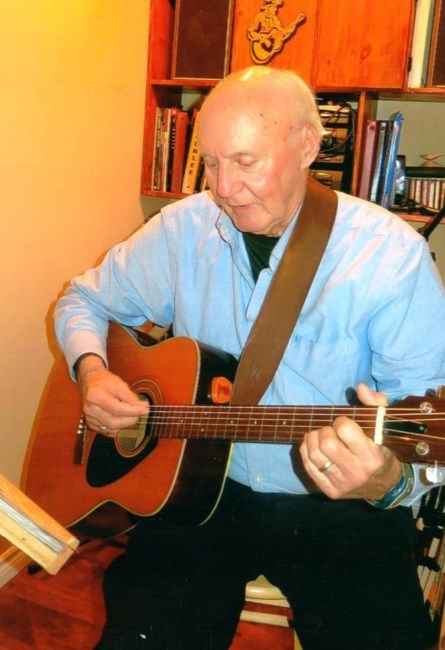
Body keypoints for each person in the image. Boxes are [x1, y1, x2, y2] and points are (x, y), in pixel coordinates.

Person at [54, 66, 445, 649]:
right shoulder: (183, 228)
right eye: (211, 163)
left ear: (308, 146)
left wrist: (385, 480)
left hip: (336, 506)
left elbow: (423, 442)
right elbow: (82, 300)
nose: (224, 187)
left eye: (245, 161)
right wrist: (92, 370)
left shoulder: (390, 258)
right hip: (202, 487)